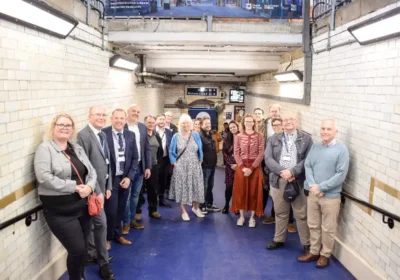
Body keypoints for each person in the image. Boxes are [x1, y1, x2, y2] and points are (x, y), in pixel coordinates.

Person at [34, 114, 96, 280]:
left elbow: (92, 171)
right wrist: (74, 187)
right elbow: (44, 178)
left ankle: (80, 276)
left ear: (73, 129)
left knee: (83, 249)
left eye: (69, 125)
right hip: (60, 212)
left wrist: (89, 187)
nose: (65, 128)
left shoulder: (76, 148)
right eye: (60, 124)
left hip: (83, 208)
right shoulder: (45, 149)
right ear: (53, 128)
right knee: (77, 250)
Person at [298, 119, 349, 268]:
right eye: (323, 128)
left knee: (328, 228)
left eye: (329, 129)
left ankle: (325, 254)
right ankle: (314, 251)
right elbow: (308, 166)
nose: (325, 132)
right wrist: (314, 186)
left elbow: (341, 174)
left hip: (330, 197)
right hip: (313, 194)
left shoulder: (342, 150)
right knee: (313, 224)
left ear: (335, 132)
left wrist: (321, 187)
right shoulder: (316, 146)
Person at [77, 106, 115, 280]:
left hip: (102, 188)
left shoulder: (102, 134)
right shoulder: (83, 136)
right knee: (101, 224)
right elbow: (85, 167)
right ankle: (103, 263)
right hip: (92, 190)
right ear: (89, 116)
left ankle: (93, 254)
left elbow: (107, 163)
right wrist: (98, 190)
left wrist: (108, 185)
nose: (101, 117)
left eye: (103, 114)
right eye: (97, 115)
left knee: (96, 224)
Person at [265, 112, 313, 252]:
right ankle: (278, 239)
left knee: (301, 214)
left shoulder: (307, 139)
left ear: (296, 122)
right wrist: (283, 172)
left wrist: (293, 172)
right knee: (280, 212)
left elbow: (309, 159)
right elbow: (268, 159)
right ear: (282, 123)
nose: (288, 122)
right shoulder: (274, 139)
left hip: (297, 181)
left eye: (291, 119)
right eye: (285, 120)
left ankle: (306, 243)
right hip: (279, 180)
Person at [103, 109, 138, 247]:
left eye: (122, 118)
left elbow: (135, 158)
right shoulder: (104, 134)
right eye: (116, 118)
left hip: (125, 179)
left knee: (120, 209)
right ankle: (107, 238)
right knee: (110, 211)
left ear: (125, 119)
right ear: (111, 119)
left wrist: (129, 177)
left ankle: (117, 235)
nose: (119, 121)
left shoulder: (130, 135)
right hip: (110, 180)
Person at [169, 114, 205, 221]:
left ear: (191, 124)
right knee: (182, 188)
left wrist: (200, 160)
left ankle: (196, 208)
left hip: (195, 165)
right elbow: (171, 151)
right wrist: (175, 164)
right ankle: (183, 211)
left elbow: (200, 149)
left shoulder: (195, 135)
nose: (186, 125)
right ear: (180, 124)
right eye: (183, 123)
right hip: (181, 166)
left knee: (197, 187)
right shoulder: (176, 136)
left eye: (188, 123)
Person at [231, 114, 265, 227]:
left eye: (251, 121)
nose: (249, 123)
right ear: (243, 123)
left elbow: (261, 153)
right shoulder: (238, 136)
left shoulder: (260, 136)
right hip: (242, 168)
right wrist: (242, 167)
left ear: (254, 123)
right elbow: (236, 153)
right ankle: (241, 216)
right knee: (241, 191)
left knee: (254, 192)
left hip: (254, 168)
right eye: (247, 121)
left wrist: (251, 168)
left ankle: (252, 217)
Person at [122, 104, 151, 232]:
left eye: (138, 112)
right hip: (127, 169)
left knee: (135, 195)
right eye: (133, 111)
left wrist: (148, 167)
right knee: (126, 196)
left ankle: (132, 219)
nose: (136, 113)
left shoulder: (142, 127)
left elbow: (147, 148)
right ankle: (126, 222)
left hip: (140, 166)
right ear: (128, 112)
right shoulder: (122, 127)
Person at [141, 115, 164, 219]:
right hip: (142, 165)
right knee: (140, 189)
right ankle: (137, 211)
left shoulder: (156, 135)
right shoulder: (141, 135)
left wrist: (158, 163)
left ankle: (153, 210)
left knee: (153, 189)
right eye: (149, 122)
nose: (151, 124)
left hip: (154, 165)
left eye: (152, 123)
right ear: (145, 123)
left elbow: (160, 150)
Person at [199, 118, 220, 213]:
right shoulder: (200, 136)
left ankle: (209, 204)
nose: (208, 125)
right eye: (206, 123)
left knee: (210, 186)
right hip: (205, 166)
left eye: (209, 123)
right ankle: (202, 205)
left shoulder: (210, 135)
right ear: (201, 125)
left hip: (212, 165)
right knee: (204, 186)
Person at [155, 114, 173, 207]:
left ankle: (161, 199)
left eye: (163, 119)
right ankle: (154, 199)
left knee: (163, 179)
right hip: (155, 159)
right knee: (155, 180)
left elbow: (171, 145)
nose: (162, 121)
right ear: (156, 120)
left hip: (166, 159)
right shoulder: (152, 131)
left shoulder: (169, 132)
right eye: (160, 119)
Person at [222, 121, 239, 214]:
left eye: (234, 127)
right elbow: (224, 153)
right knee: (229, 187)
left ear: (238, 127)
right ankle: (226, 204)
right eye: (231, 127)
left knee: (238, 187)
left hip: (240, 167)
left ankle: (236, 206)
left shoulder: (242, 137)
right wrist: (230, 163)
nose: (233, 129)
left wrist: (239, 165)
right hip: (230, 167)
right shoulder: (227, 138)